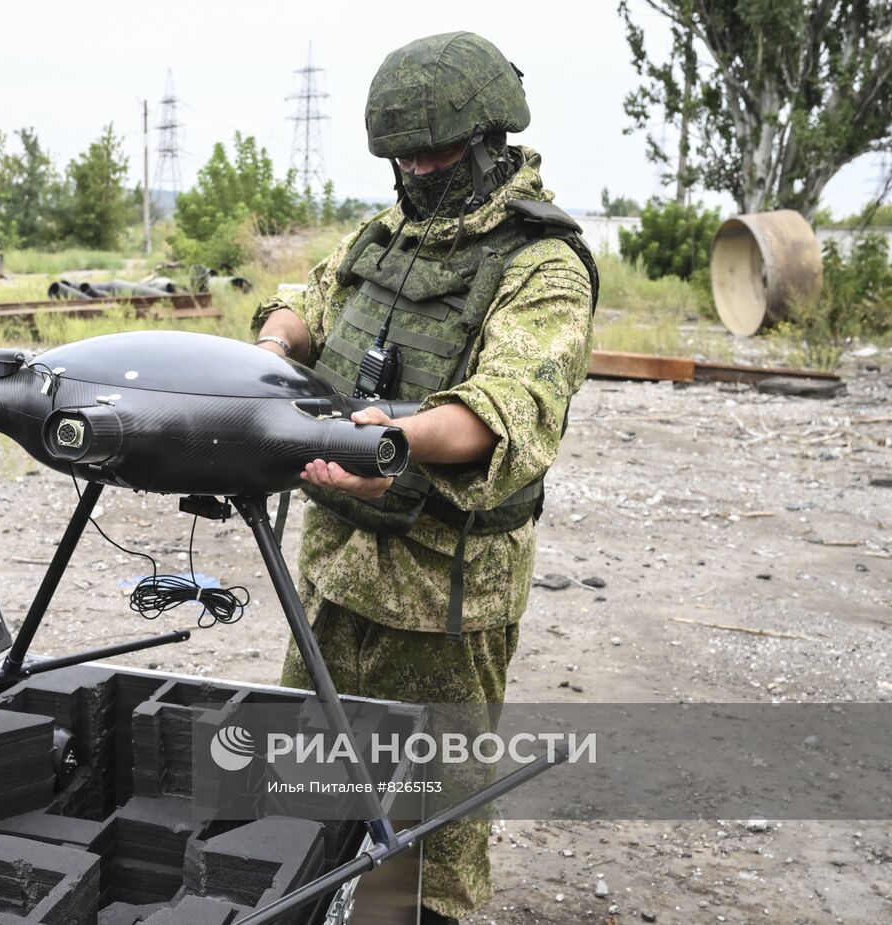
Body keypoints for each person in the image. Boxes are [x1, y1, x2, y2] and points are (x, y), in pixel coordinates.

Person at [251, 32, 598, 924]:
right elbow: (308, 302)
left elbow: (503, 406)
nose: (415, 169)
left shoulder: (542, 266)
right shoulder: (383, 238)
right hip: (331, 578)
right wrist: (274, 347)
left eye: (433, 151)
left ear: (489, 141)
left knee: (430, 844)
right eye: (400, 155)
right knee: (299, 797)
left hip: (442, 602)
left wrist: (392, 439)